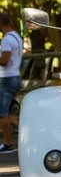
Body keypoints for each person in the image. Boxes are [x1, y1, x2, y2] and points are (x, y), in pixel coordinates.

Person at [0, 11, 22, 153]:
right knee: (7, 111)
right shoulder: (16, 37)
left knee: (2, 113)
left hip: (7, 77)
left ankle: (8, 144)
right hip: (15, 76)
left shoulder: (7, 40)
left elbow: (5, 60)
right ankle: (26, 130)